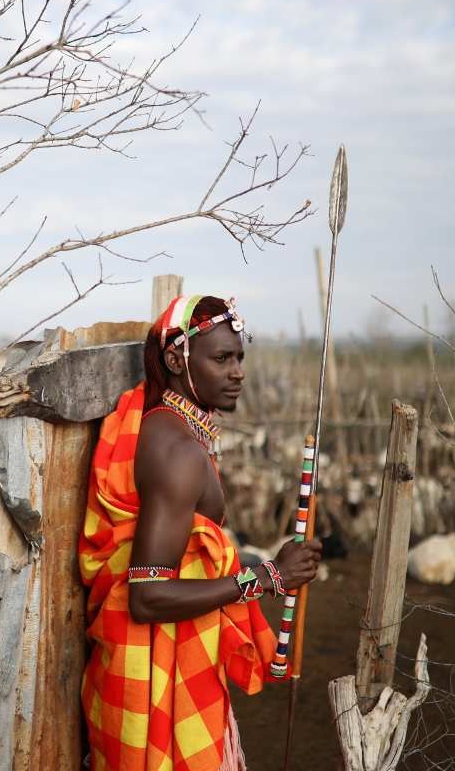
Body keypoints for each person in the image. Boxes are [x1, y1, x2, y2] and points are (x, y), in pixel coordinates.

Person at [78, 294, 323, 771]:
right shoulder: (178, 453)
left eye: (240, 358)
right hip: (151, 684)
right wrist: (267, 577)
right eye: (222, 359)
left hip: (153, 671)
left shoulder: (175, 432)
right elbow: (146, 597)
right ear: (176, 359)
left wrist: (268, 565)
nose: (238, 373)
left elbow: (187, 552)